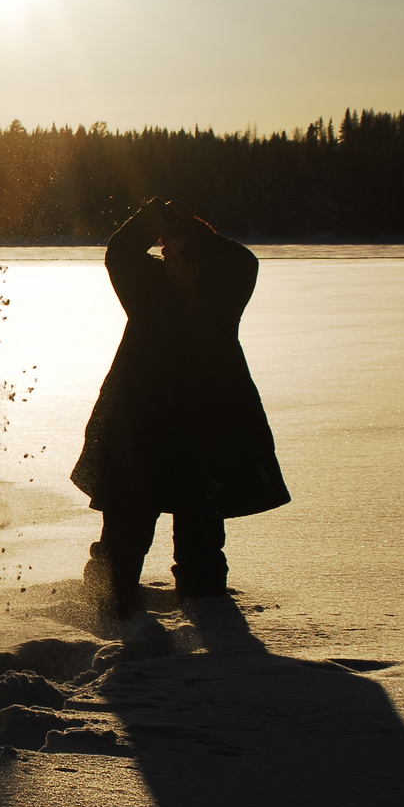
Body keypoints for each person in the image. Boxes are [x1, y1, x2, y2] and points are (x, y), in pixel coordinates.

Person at [70, 201, 289, 626]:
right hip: (139, 430)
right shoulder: (147, 291)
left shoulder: (222, 296)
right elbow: (119, 254)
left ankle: (208, 608)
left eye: (186, 256)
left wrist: (194, 234)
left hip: (205, 431)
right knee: (125, 526)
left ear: (206, 259)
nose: (175, 264)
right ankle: (107, 609)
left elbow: (244, 260)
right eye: (168, 255)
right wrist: (156, 218)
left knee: (202, 529)